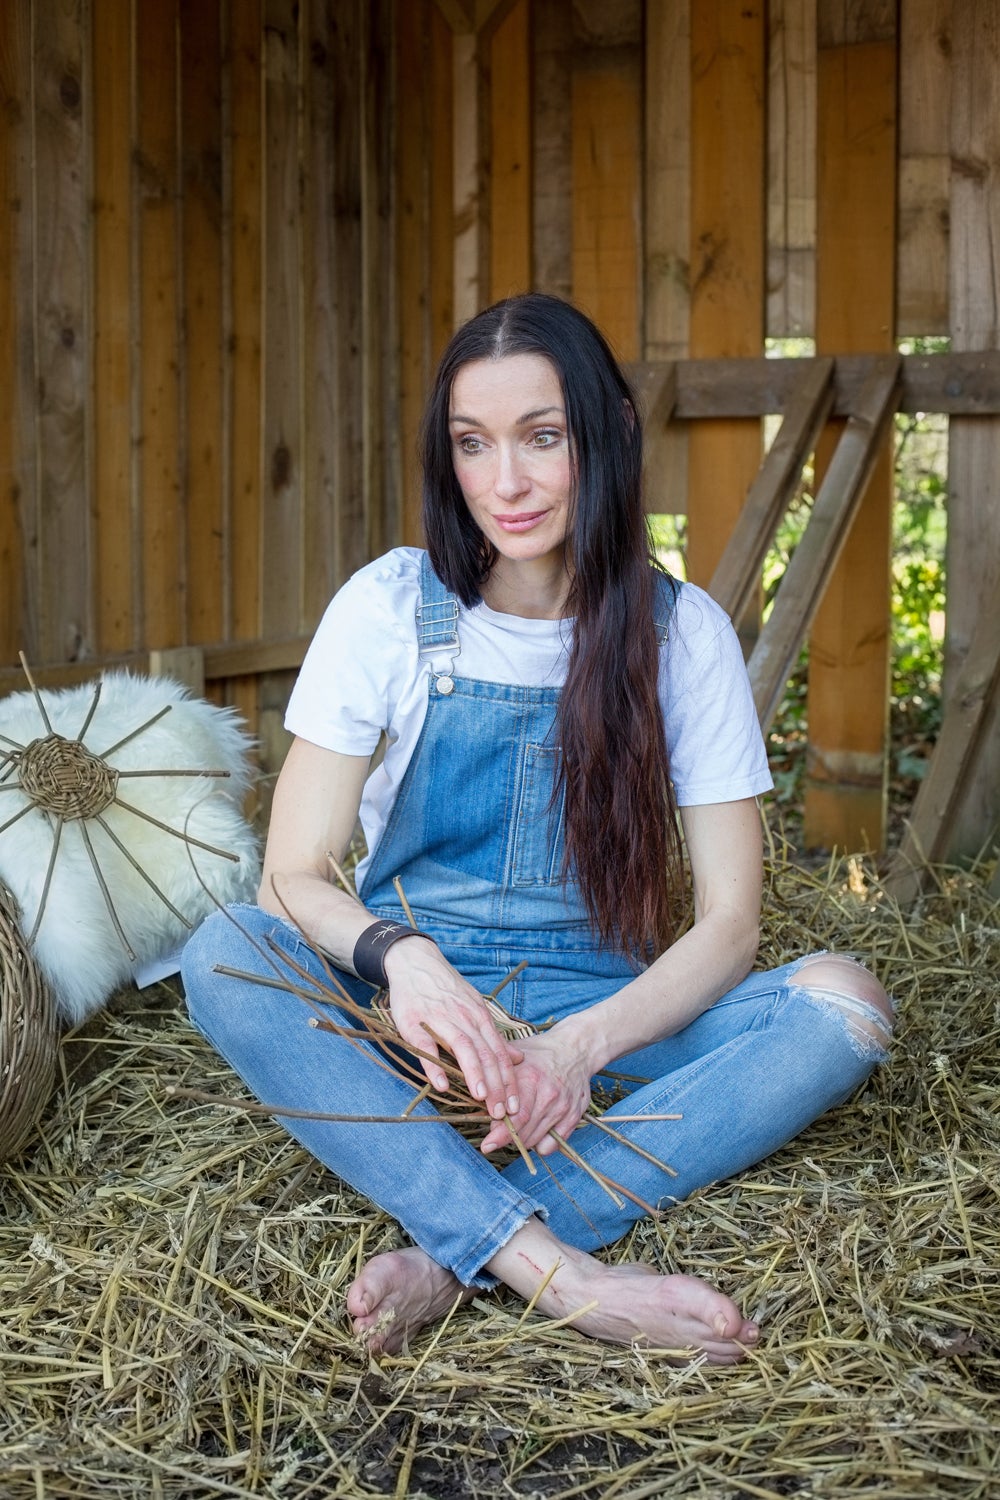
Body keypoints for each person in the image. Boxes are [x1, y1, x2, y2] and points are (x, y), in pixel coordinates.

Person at [181, 293, 893, 1364]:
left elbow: (732, 925)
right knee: (224, 951)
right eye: (473, 444)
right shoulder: (387, 607)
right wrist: (404, 958)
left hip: (600, 1013)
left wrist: (576, 1047)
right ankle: (560, 1275)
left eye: (541, 438)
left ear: (604, 432)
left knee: (846, 1004)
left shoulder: (679, 633)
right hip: (410, 1019)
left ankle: (458, 1252)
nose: (503, 483)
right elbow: (292, 877)